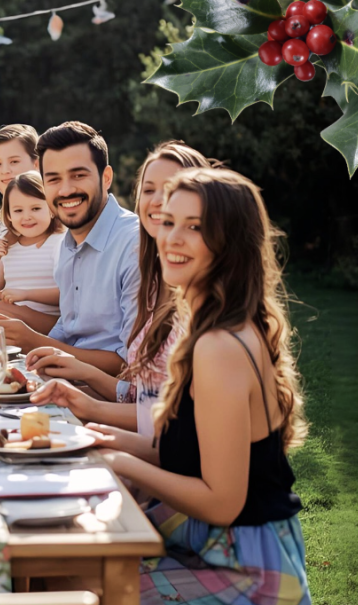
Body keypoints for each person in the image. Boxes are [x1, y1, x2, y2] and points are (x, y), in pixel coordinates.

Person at [44, 168, 311, 604]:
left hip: (247, 566)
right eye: (168, 222)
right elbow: (192, 448)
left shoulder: (219, 345)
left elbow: (222, 501)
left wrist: (119, 460)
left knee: (69, 585)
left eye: (195, 228)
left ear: (232, 244)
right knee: (60, 565)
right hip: (212, 542)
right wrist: (101, 437)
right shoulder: (210, 325)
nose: (171, 238)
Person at [27, 141, 212, 434]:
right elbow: (147, 399)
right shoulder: (165, 284)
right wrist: (82, 380)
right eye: (149, 190)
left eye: (173, 190)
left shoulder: (211, 322)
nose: (160, 201)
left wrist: (95, 415)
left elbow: (185, 433)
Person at [0, 121, 140, 377]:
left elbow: (133, 366)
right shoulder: (69, 242)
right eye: (53, 179)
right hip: (63, 379)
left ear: (106, 177)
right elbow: (67, 331)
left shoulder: (134, 245)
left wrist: (34, 340)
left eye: (78, 175)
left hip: (110, 396)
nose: (66, 190)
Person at [0, 170, 63, 334]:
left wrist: (25, 294)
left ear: (52, 210)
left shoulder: (59, 242)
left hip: (49, 322)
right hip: (14, 317)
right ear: (9, 215)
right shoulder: (9, 247)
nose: (27, 216)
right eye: (18, 211)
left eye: (36, 208)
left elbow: (67, 294)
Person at [0, 124, 41, 307]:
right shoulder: (3, 227)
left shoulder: (53, 216)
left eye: (14, 161)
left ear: (36, 164)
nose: (6, 170)